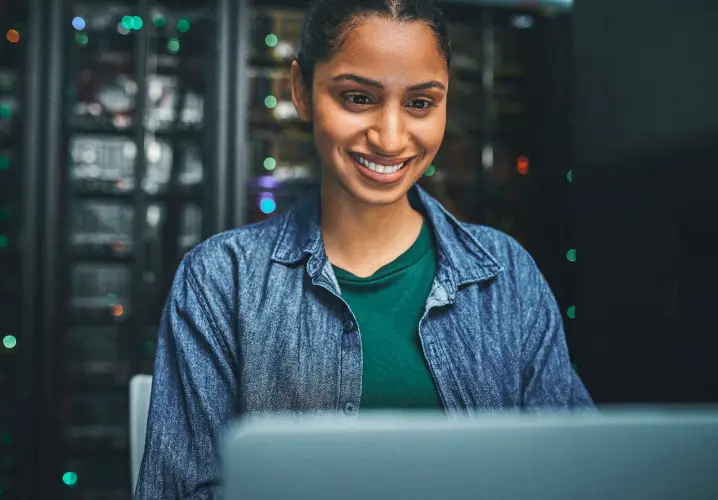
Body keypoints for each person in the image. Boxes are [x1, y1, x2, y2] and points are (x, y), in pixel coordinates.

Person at [134, 0, 593, 497]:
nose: (390, 138)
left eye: (420, 103)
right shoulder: (221, 279)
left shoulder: (507, 275)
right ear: (301, 91)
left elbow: (574, 476)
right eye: (357, 98)